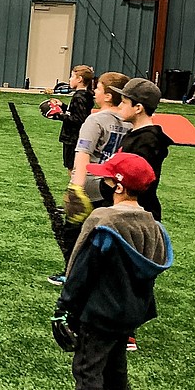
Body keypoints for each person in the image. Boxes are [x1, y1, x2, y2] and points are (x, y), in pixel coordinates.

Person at [52, 152, 172, 390]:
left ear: (117, 187)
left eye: (107, 178)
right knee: (116, 365)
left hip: (101, 310)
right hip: (132, 309)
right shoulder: (152, 224)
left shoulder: (103, 221)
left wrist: (64, 308)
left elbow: (82, 270)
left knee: (87, 368)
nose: (102, 182)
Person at [50, 71, 129, 286]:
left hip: (92, 182)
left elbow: (83, 152)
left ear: (108, 96)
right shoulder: (129, 123)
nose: (95, 91)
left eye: (99, 89)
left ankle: (72, 273)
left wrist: (76, 185)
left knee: (74, 232)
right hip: (114, 186)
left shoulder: (95, 120)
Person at [110, 78, 171, 222]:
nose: (119, 106)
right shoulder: (135, 135)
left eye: (124, 102)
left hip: (137, 216)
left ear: (138, 108)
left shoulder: (146, 142)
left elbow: (134, 182)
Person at [58, 65, 95, 172]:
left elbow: (79, 119)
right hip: (76, 136)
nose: (70, 79)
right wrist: (63, 106)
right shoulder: (85, 95)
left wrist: (60, 116)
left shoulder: (79, 97)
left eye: (72, 76)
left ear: (79, 79)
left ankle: (75, 186)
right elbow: (75, 111)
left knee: (72, 166)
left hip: (72, 137)